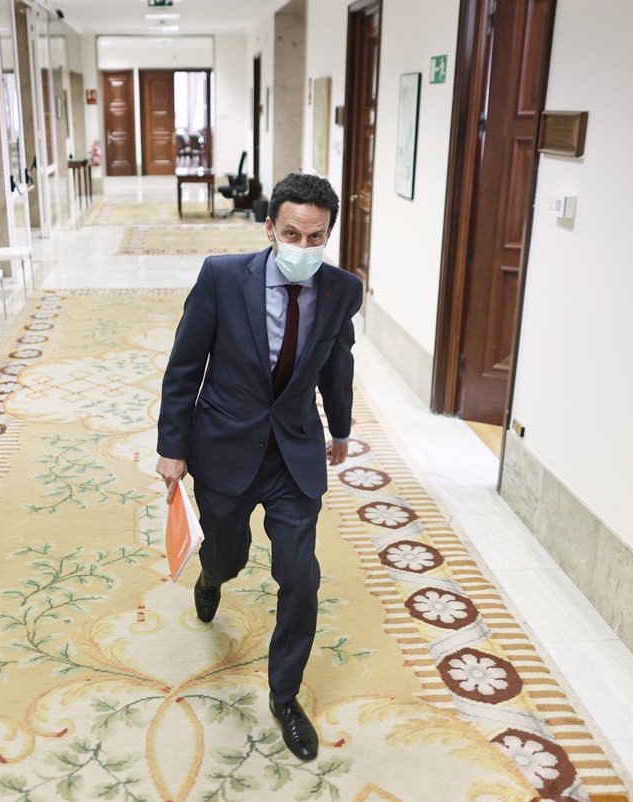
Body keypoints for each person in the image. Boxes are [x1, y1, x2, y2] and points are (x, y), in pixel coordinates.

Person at [155, 172, 363, 762]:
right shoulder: (223, 278)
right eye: (292, 234)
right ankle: (211, 578)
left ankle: (285, 695)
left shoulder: (342, 290)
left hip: (293, 452)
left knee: (300, 574)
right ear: (270, 227)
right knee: (230, 555)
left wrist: (340, 429)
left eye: (315, 237)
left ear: (328, 235)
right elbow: (184, 366)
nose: (303, 247)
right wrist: (172, 447)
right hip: (224, 445)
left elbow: (337, 364)